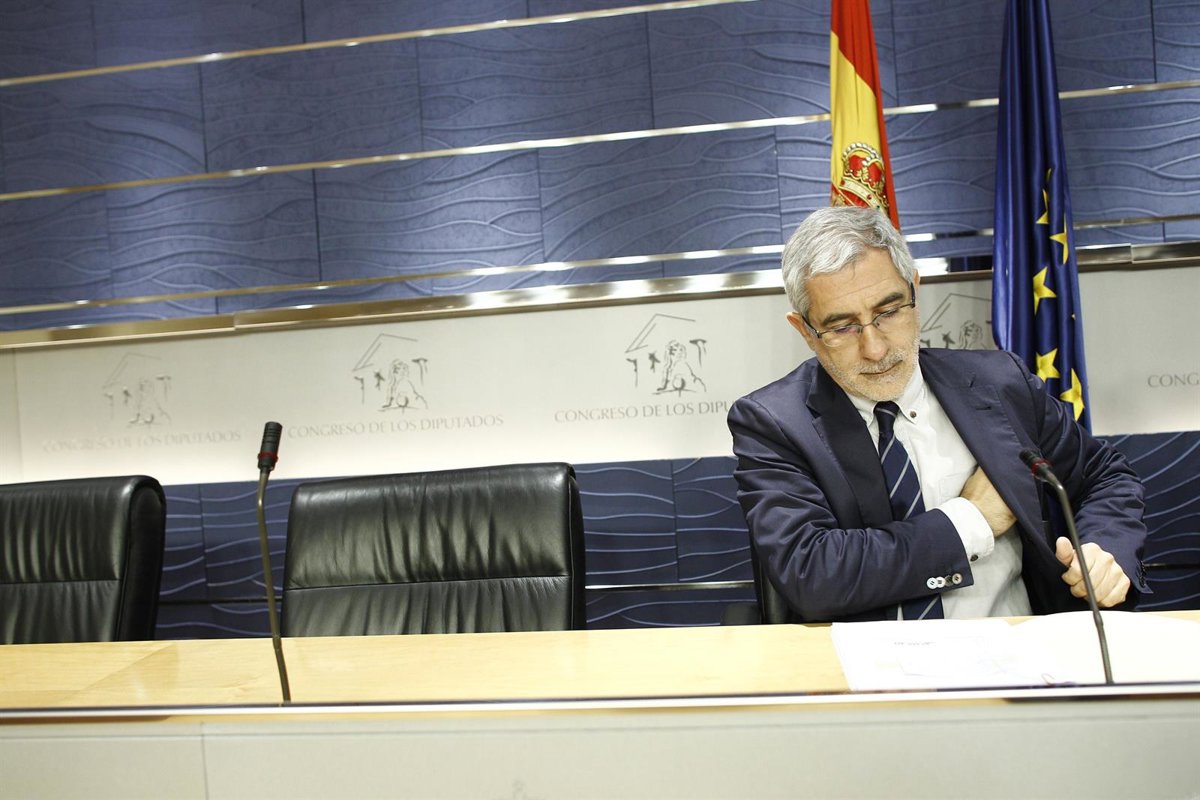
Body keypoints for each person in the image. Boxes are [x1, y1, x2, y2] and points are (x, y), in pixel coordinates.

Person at [727, 206, 1148, 623]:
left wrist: (1106, 548)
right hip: (869, 662)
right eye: (842, 327)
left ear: (914, 288)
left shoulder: (1001, 383)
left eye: (889, 311)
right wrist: (972, 520)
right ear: (805, 330)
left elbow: (1103, 475)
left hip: (1018, 648)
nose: (875, 348)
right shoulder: (774, 423)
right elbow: (812, 574)